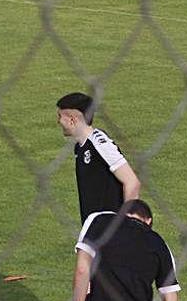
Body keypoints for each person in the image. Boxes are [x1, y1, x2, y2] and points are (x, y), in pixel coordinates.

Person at [56, 92, 141, 222]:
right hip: (94, 228)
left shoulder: (100, 144)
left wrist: (128, 225)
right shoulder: (80, 147)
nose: (58, 121)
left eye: (60, 116)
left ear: (72, 120)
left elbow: (132, 182)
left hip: (110, 230)